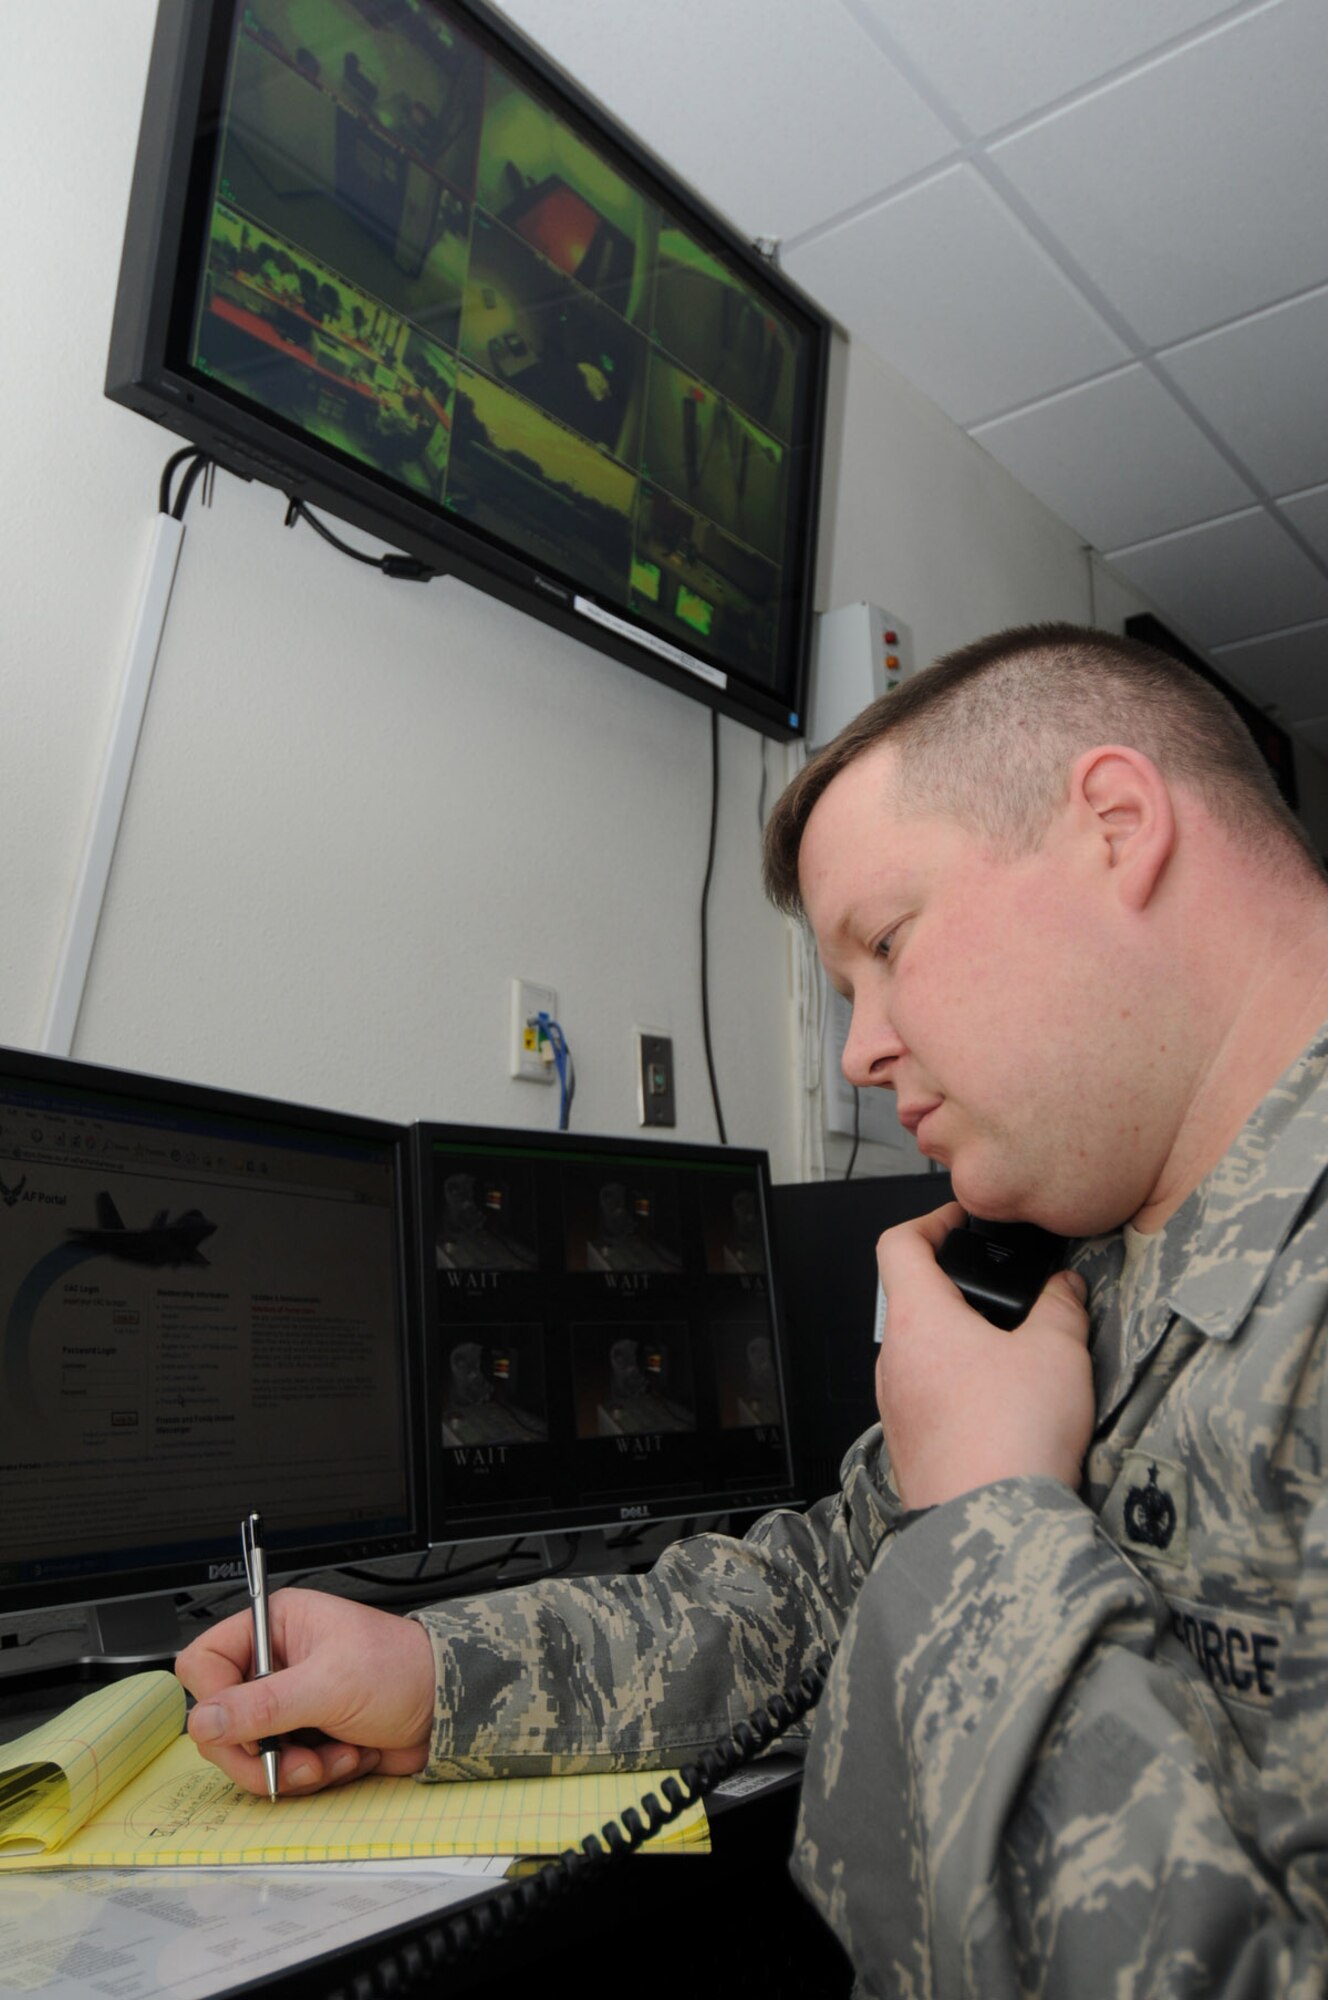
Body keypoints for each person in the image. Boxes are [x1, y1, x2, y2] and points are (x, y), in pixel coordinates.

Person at [176, 623, 1328, 1995]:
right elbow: (812, 1597)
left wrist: (988, 1512)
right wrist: (435, 1676)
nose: (857, 1056)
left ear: (1117, 826)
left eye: (887, 943)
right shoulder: (1089, 1261)